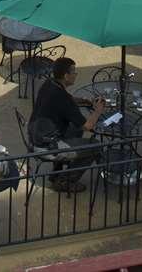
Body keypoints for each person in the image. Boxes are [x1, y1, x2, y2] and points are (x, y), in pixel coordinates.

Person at [29, 57, 104, 191]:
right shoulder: (62, 97)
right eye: (74, 72)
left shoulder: (50, 84)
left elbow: (68, 99)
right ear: (66, 76)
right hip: (48, 147)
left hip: (36, 136)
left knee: (75, 129)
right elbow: (87, 126)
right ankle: (64, 181)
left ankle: (56, 173)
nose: (76, 74)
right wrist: (98, 111)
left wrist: (85, 101)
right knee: (95, 146)